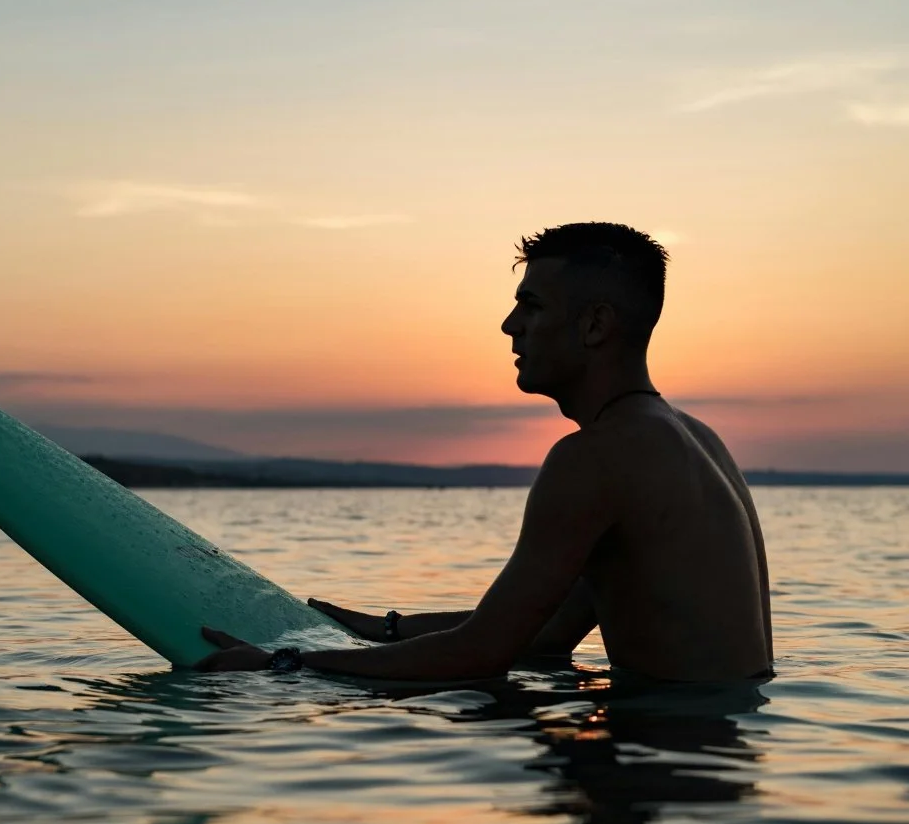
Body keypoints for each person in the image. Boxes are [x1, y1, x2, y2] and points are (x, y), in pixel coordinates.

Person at [195, 222, 773, 684]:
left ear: (595, 324)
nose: (509, 325)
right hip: (714, 767)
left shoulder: (598, 455)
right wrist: (385, 628)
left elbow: (477, 657)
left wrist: (285, 666)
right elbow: (546, 635)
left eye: (533, 305)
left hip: (662, 761)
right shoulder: (689, 437)